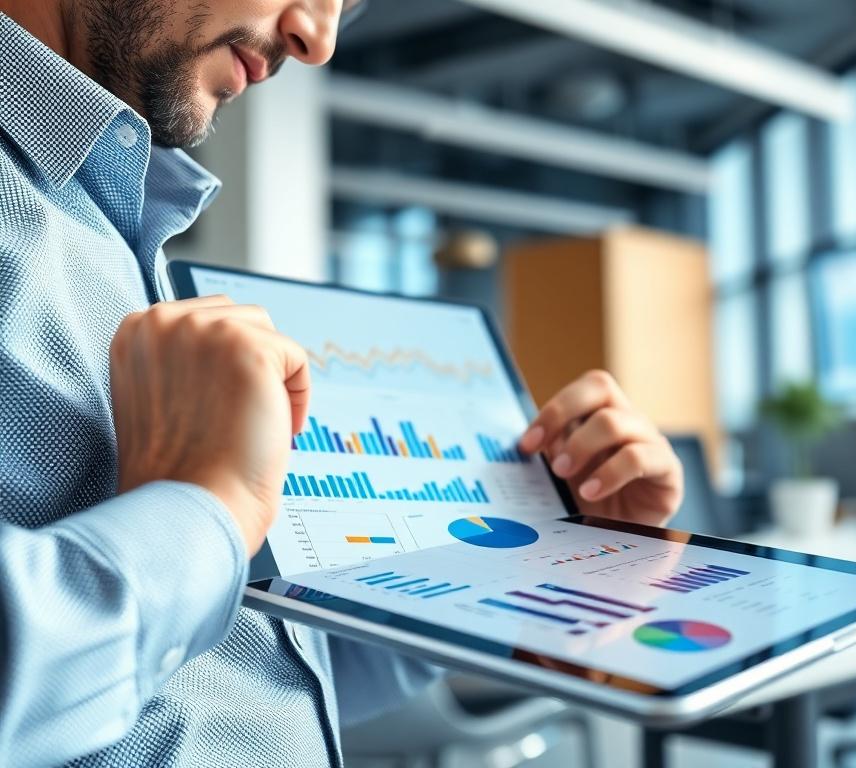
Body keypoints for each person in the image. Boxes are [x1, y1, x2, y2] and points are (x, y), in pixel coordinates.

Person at [0, 1, 685, 767]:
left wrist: (539, 556)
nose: (316, 39)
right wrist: (204, 509)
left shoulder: (118, 230)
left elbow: (230, 685)